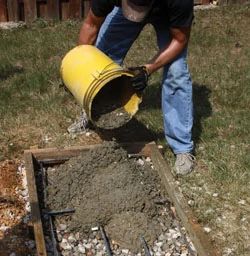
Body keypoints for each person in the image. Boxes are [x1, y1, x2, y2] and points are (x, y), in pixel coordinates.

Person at [69, 0, 195, 175]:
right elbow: (91, 25)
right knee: (104, 55)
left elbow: (180, 39)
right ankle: (92, 111)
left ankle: (182, 148)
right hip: (125, 8)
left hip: (168, 14)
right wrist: (80, 66)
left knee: (176, 73)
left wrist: (147, 69)